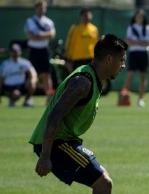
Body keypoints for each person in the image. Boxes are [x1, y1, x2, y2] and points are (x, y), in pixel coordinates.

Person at [29, 34, 127, 194]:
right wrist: (45, 156)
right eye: (121, 60)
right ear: (109, 59)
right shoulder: (83, 82)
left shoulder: (93, 78)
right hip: (55, 144)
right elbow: (54, 115)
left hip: (64, 141)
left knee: (104, 181)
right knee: (104, 184)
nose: (123, 65)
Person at [24, 0, 56, 101]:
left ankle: (49, 98)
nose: (41, 9)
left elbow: (52, 35)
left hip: (44, 50)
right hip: (34, 50)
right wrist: (44, 35)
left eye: (43, 7)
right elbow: (30, 36)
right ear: (36, 9)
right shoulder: (30, 21)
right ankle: (29, 98)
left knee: (47, 74)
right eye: (39, 7)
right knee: (32, 74)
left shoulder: (49, 21)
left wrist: (38, 35)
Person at [121, 9, 149, 107]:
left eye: (141, 16)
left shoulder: (147, 28)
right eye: (138, 16)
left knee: (143, 76)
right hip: (134, 53)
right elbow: (128, 42)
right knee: (130, 74)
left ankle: (140, 99)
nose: (140, 18)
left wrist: (136, 42)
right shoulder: (131, 28)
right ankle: (123, 96)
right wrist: (140, 42)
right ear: (135, 17)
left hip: (144, 54)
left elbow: (148, 43)